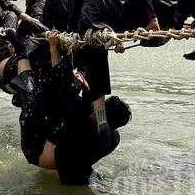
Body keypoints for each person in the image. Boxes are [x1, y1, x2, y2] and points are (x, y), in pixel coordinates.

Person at [69, 0, 157, 146]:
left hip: (91, 27)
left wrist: (71, 37)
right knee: (96, 60)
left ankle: (97, 118)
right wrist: (152, 18)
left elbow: (75, 11)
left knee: (91, 62)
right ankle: (98, 120)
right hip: (117, 22)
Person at [17, 30, 132, 184]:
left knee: (30, 95)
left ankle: (20, 52)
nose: (96, 105)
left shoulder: (77, 119)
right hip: (70, 157)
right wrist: (86, 90)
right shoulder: (113, 138)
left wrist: (53, 47)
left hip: (36, 152)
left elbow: (60, 83)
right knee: (62, 100)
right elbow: (96, 119)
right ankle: (83, 170)